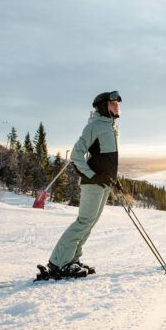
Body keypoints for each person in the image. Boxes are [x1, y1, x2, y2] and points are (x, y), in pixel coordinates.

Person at [36, 91, 122, 280]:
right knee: (83, 222)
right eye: (112, 103)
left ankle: (72, 260)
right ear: (102, 106)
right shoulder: (94, 126)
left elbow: (107, 158)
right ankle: (59, 263)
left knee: (90, 223)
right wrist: (93, 175)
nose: (117, 106)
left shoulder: (112, 128)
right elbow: (76, 154)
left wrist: (113, 178)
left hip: (105, 183)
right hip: (93, 184)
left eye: (117, 103)